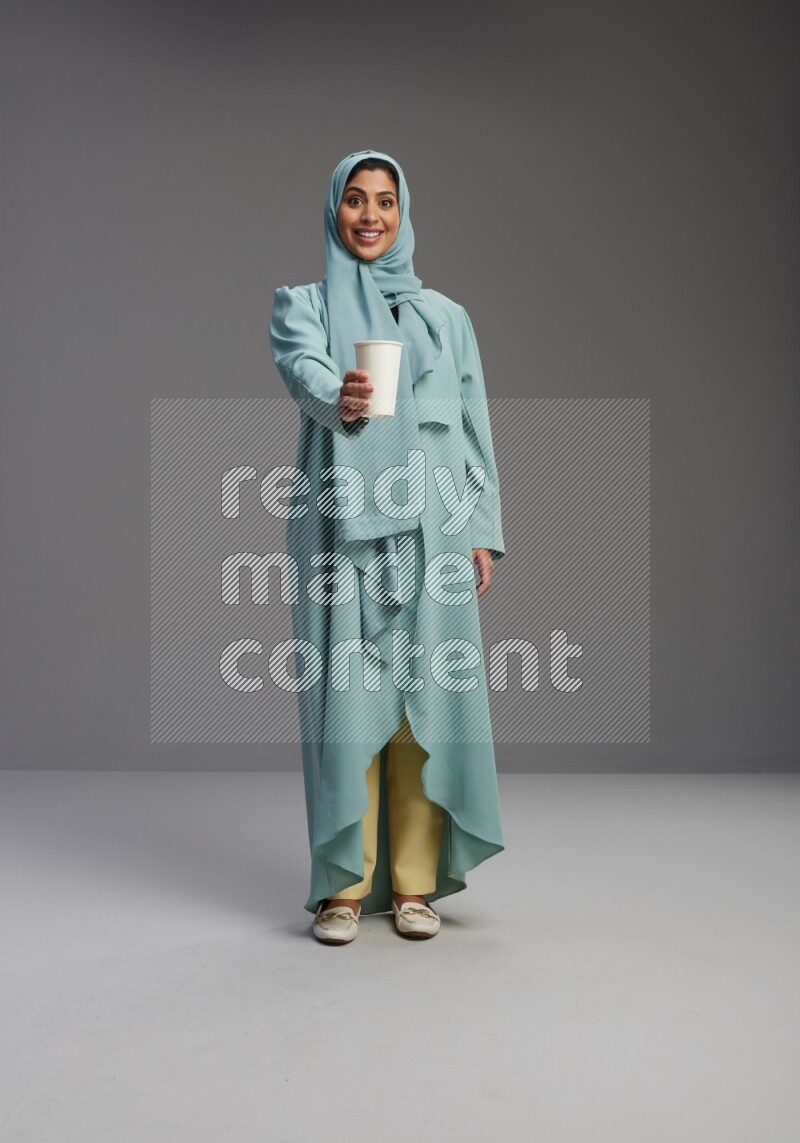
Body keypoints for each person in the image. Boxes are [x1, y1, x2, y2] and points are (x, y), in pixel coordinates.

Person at [269, 149, 506, 944]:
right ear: (334, 210)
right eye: (355, 201)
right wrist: (338, 394)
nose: (370, 216)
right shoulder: (303, 305)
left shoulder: (448, 317)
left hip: (434, 528)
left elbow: (474, 433)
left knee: (424, 706)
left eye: (386, 203)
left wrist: (482, 531)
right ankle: (342, 884)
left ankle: (413, 884)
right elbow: (303, 370)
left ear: (404, 217)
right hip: (343, 533)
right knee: (350, 705)